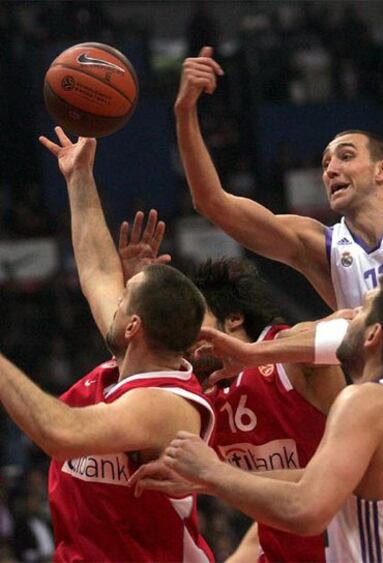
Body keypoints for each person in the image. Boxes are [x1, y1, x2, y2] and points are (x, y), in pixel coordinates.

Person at [0, 128, 218, 562]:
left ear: (134, 324)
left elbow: (60, 433)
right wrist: (79, 176)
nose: (115, 288)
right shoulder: (128, 359)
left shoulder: (164, 404)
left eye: (127, 290)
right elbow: (97, 270)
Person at [145, 272, 383, 563]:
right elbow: (312, 479)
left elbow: (305, 508)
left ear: (374, 335)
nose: (350, 314)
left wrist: (211, 472)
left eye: (362, 309)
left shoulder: (367, 399)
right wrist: (204, 479)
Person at [133, 256, 346, 562]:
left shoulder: (289, 355)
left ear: (233, 318)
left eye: (193, 318)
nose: (183, 334)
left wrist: (253, 353)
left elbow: (350, 332)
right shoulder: (203, 396)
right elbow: (263, 526)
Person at [175, 46, 383, 310]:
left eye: (346, 156)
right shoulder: (321, 246)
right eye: (326, 163)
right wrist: (185, 112)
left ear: (382, 170)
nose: (330, 170)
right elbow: (212, 203)